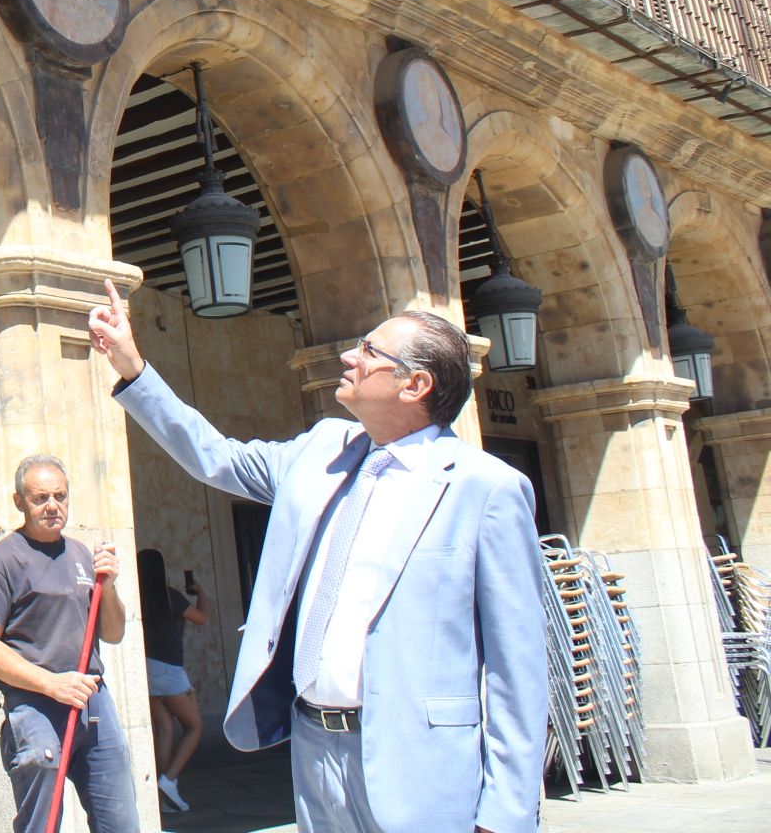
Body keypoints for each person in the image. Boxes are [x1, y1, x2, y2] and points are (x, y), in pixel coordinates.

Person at [89, 283, 544, 833]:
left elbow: (517, 668)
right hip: (313, 750)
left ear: (416, 384)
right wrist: (133, 367)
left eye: (371, 352)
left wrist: (507, 814)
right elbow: (216, 459)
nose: (350, 356)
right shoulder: (322, 449)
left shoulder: (486, 489)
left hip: (420, 765)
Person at [0, 454, 138, 833]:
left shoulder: (81, 555)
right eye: (40, 498)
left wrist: (107, 587)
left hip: (93, 702)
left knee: (121, 822)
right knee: (42, 825)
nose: (52, 506)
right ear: (19, 502)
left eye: (60, 496)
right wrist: (52, 683)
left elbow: (112, 633)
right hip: (36, 706)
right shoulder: (3, 561)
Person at [137, 548, 209, 814]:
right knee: (195, 727)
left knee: (164, 729)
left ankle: (164, 795)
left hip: (146, 669)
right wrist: (201, 593)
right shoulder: (171, 597)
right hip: (170, 671)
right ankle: (168, 779)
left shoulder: (138, 596)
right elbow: (201, 618)